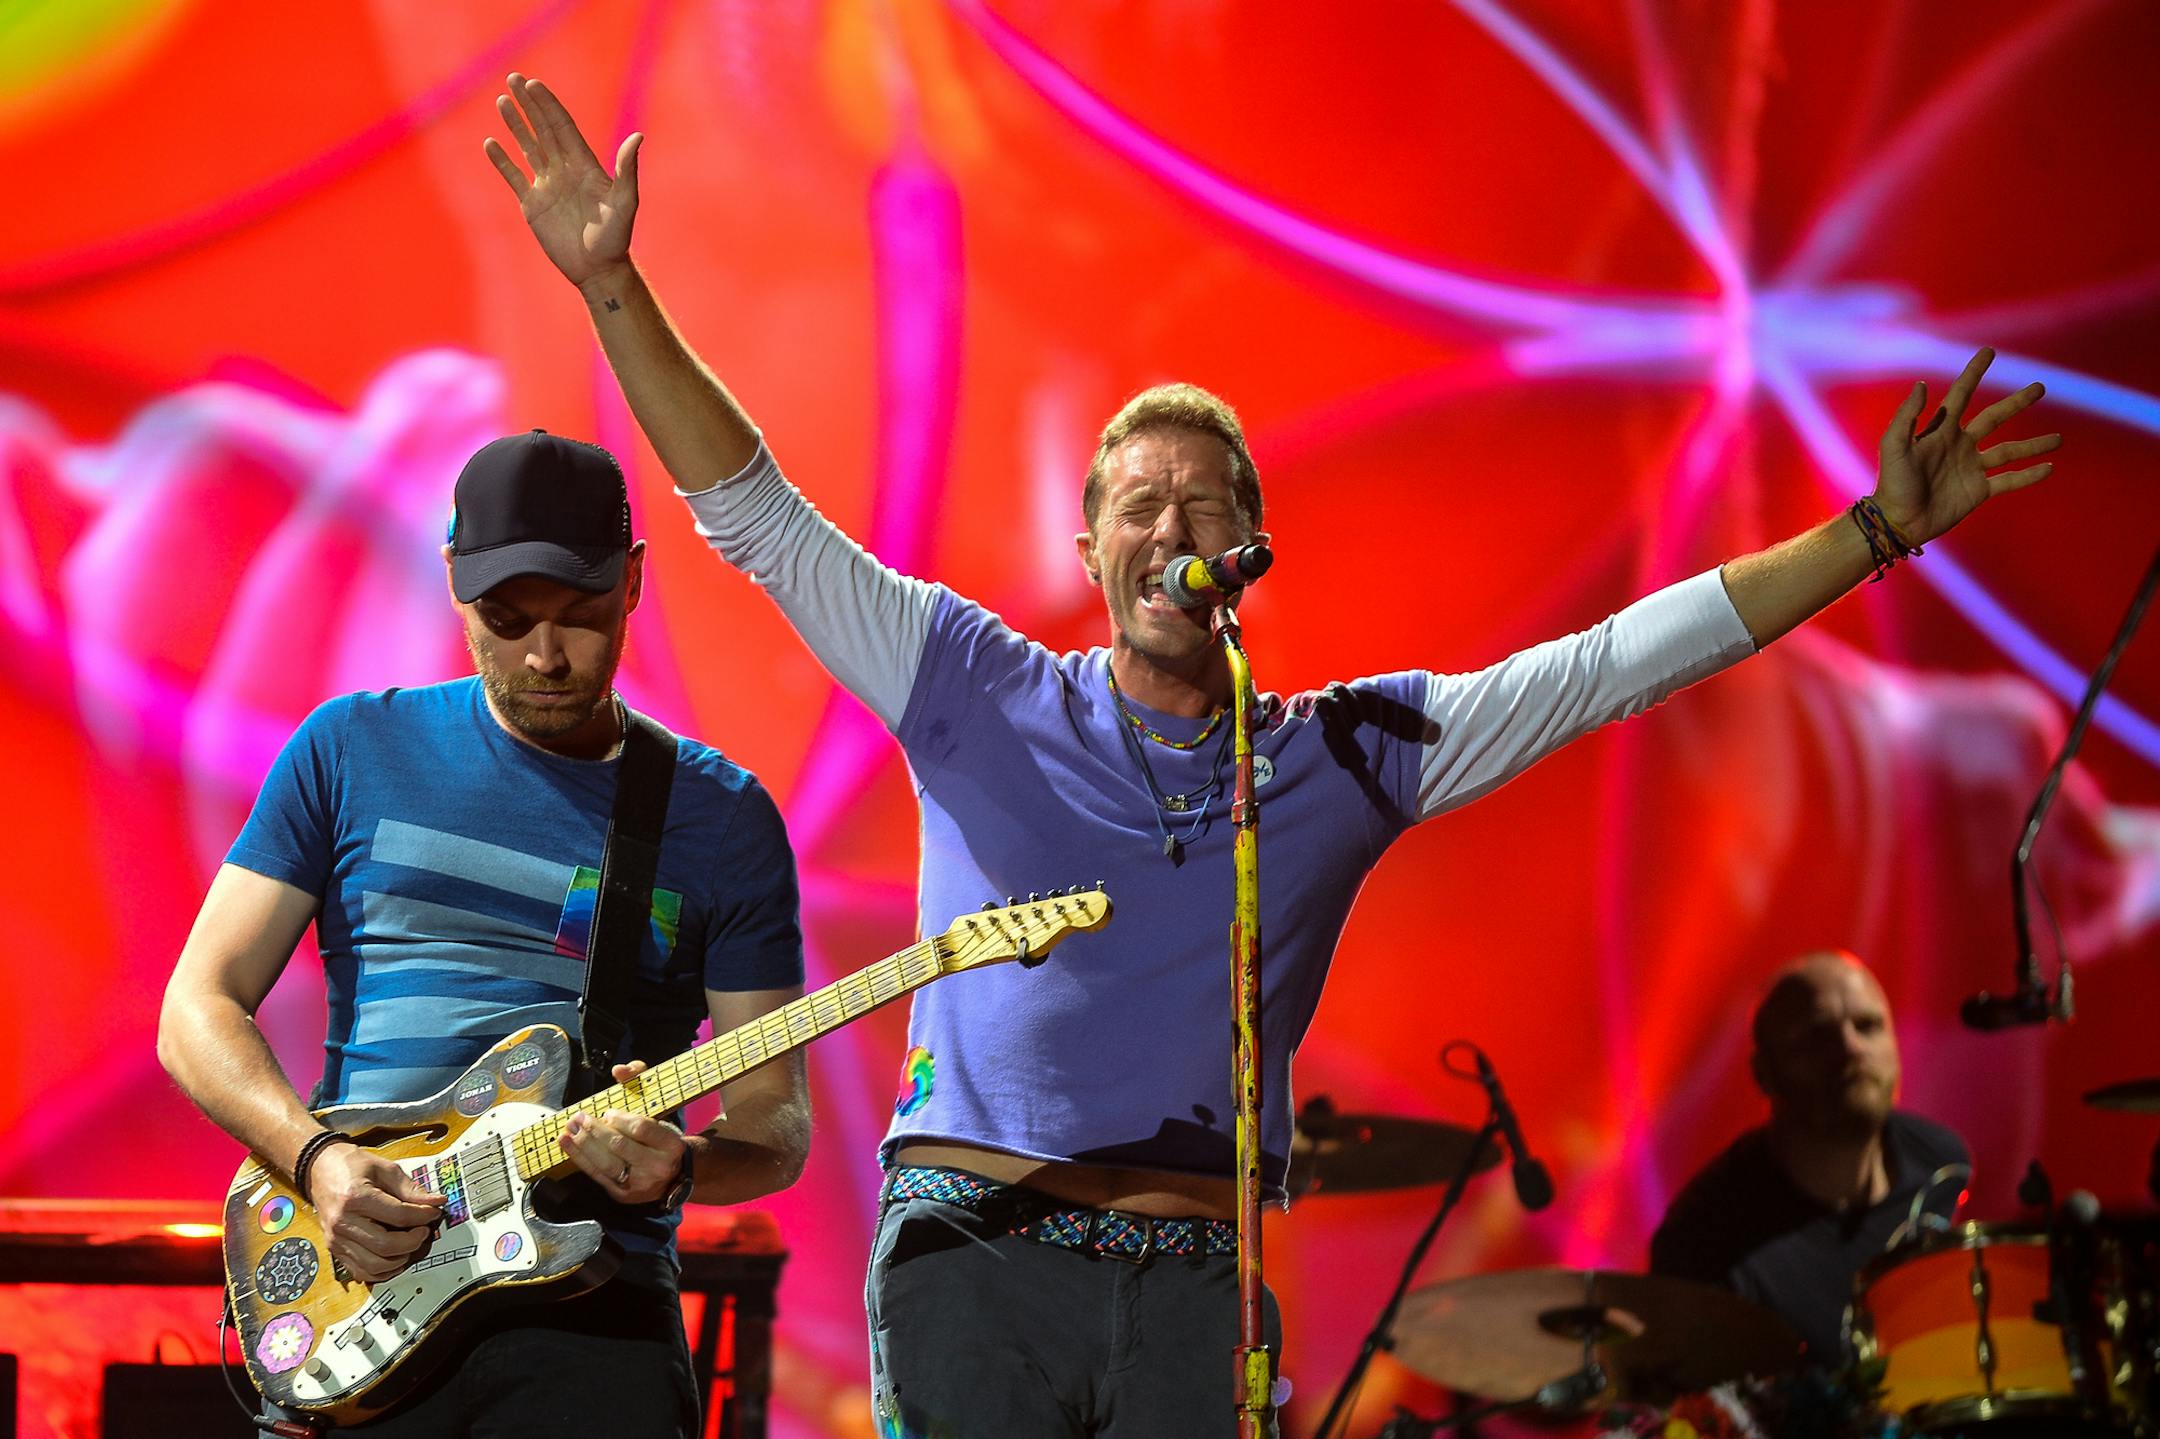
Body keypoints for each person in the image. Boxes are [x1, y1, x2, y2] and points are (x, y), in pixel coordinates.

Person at [482, 73, 2056, 1438]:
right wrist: (613, 286)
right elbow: (756, 513)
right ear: (1089, 544)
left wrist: (1871, 536)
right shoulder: (973, 679)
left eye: (1206, 502)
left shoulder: (1348, 752)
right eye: (1139, 502)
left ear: (1254, 546)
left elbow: (1613, 666)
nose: (1172, 525)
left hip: (1199, 1277)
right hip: (976, 1244)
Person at [156, 429, 811, 1436]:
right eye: (506, 620)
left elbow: (776, 1121)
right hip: (363, 1291)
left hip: (593, 1308)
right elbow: (197, 1007)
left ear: (634, 582)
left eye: (581, 617)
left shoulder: (719, 815)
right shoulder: (349, 747)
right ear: (455, 584)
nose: (544, 656)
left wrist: (682, 1162)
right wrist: (318, 1158)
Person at [1650, 952, 1970, 1365]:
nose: (1850, 1047)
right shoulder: (1702, 1240)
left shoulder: (1944, 1166)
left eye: (1868, 1026)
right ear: (1764, 1073)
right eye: (1817, 1036)